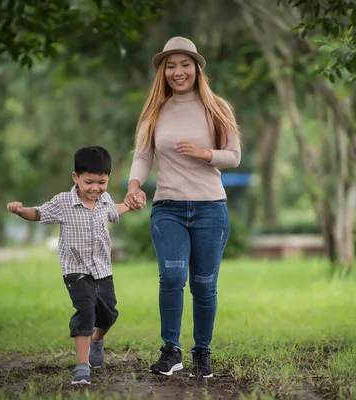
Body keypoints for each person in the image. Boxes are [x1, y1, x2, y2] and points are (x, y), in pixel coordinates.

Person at [124, 36, 242, 378]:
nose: (178, 72)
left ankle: (202, 352)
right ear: (163, 71)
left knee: (204, 283)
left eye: (184, 64)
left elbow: (234, 156)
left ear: (197, 68)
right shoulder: (154, 111)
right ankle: (170, 350)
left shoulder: (217, 108)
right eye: (171, 66)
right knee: (172, 275)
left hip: (210, 209)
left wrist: (206, 154)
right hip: (168, 208)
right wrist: (133, 185)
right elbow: (144, 155)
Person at [6, 146, 132, 386]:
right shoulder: (63, 202)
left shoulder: (104, 200)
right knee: (86, 311)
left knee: (109, 315)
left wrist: (129, 205)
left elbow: (113, 210)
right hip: (75, 271)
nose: (95, 188)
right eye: (89, 182)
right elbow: (38, 214)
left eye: (101, 182)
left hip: (103, 271)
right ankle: (82, 367)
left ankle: (96, 340)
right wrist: (21, 210)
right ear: (76, 178)